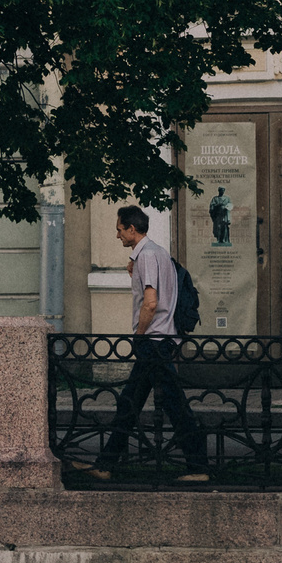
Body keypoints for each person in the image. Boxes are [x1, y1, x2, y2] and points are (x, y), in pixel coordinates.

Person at [76, 205, 209, 484]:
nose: (117, 235)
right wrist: (132, 272)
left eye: (119, 229)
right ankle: (106, 464)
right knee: (130, 403)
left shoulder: (147, 256)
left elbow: (150, 303)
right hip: (164, 339)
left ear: (132, 229)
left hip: (154, 341)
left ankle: (199, 467)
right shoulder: (158, 253)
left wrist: (138, 336)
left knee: (173, 405)